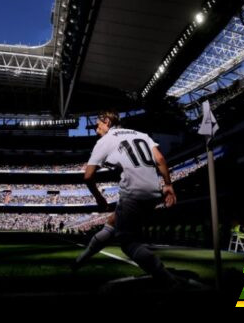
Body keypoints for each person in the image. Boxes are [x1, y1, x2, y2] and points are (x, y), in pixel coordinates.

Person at [70, 110, 180, 286]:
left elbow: (88, 176)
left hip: (133, 191)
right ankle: (80, 260)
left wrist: (99, 199)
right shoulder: (141, 134)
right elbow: (159, 158)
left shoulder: (105, 141)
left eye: (98, 125)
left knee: (127, 242)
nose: (96, 129)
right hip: (153, 191)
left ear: (107, 121)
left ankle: (168, 280)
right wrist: (168, 184)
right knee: (113, 222)